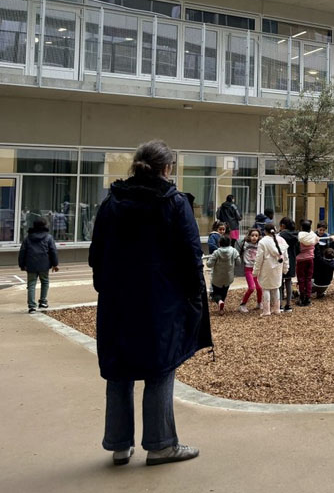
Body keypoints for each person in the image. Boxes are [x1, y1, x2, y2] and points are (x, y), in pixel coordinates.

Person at [88, 139, 207, 466]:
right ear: (167, 168)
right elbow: (190, 255)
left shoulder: (112, 202)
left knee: (119, 371)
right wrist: (195, 296)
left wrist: (106, 287)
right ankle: (161, 444)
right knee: (160, 369)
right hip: (160, 302)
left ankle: (119, 444)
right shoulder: (173, 203)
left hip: (117, 301)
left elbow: (96, 253)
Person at [18, 218, 59, 313]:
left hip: (31, 264)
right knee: (45, 282)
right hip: (44, 264)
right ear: (44, 226)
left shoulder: (28, 238)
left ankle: (32, 306)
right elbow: (53, 251)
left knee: (31, 285)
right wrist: (55, 264)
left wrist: (22, 264)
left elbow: (22, 252)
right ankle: (43, 302)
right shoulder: (48, 237)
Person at [254, 222, 288, 316]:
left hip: (266, 268)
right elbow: (285, 256)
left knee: (266, 289)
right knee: (276, 287)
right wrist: (286, 267)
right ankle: (277, 309)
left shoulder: (263, 242)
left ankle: (266, 310)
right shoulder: (281, 240)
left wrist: (256, 271)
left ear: (265, 231)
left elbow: (259, 258)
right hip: (278, 267)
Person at [206, 234, 238, 313]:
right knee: (224, 292)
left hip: (217, 278)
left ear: (219, 243)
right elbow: (239, 262)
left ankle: (219, 302)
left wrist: (208, 260)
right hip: (228, 277)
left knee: (215, 293)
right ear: (229, 243)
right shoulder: (234, 251)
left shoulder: (216, 252)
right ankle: (221, 308)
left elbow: (209, 264)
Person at [237, 228, 263, 313]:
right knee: (252, 288)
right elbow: (238, 248)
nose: (254, 237)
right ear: (249, 236)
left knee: (259, 288)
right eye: (252, 235)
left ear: (259, 237)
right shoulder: (245, 244)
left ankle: (259, 303)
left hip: (256, 269)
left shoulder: (260, 245)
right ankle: (242, 304)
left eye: (256, 235)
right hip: (248, 269)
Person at [278, 217, 299, 313]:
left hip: (282, 260)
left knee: (280, 283)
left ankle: (280, 305)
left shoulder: (280, 235)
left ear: (282, 225)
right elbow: (298, 249)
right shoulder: (296, 235)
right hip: (292, 259)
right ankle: (288, 305)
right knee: (289, 282)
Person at [313, 222, 334, 297]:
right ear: (317, 229)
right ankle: (320, 290)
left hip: (324, 255)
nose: (321, 232)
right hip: (320, 256)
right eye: (320, 230)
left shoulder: (327, 236)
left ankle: (318, 290)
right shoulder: (314, 235)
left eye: (323, 230)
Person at [296, 220, 318, 306]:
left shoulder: (300, 236)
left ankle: (302, 297)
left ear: (301, 228)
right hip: (310, 259)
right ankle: (308, 298)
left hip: (301, 260)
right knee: (308, 279)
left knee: (301, 279)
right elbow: (317, 240)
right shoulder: (313, 236)